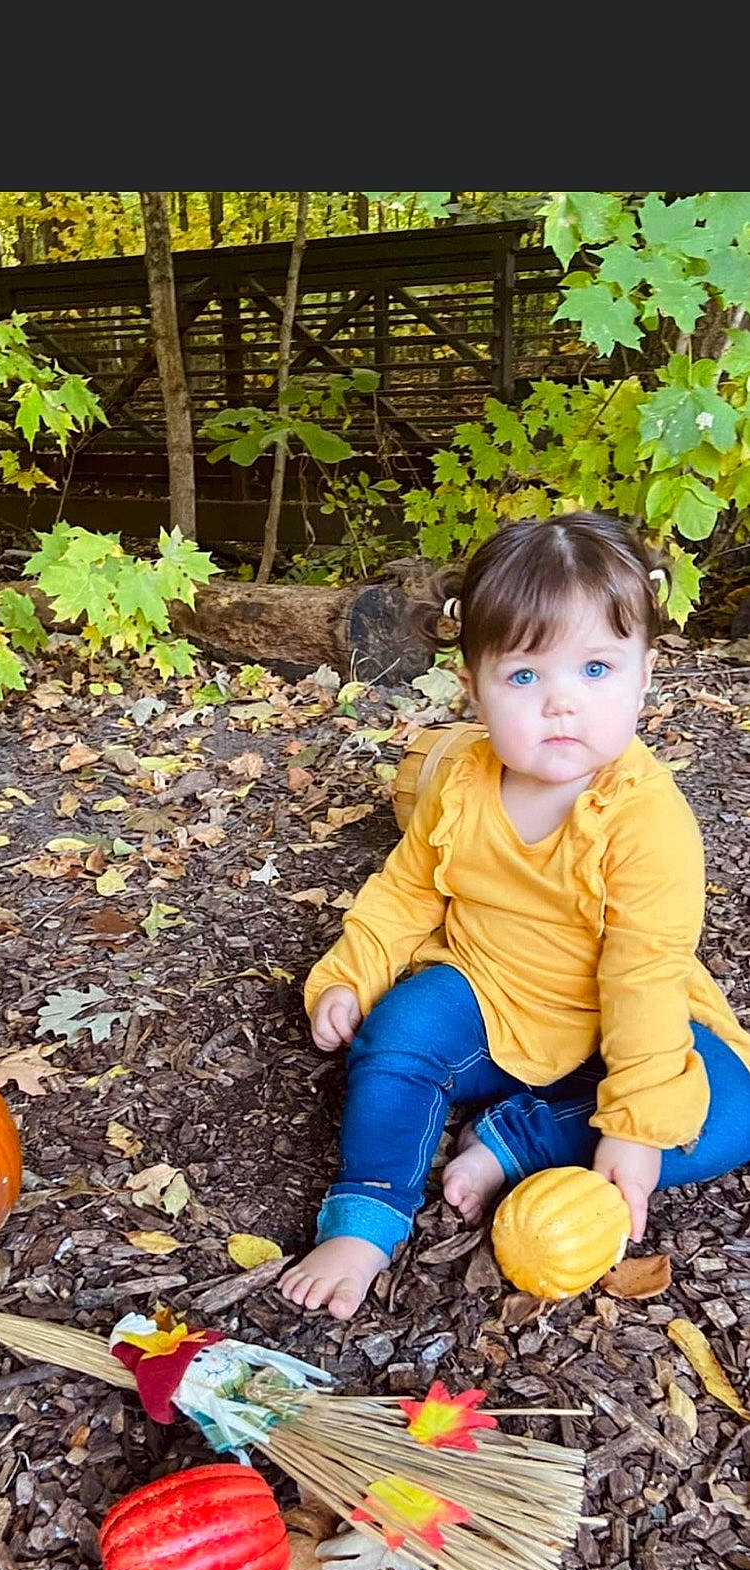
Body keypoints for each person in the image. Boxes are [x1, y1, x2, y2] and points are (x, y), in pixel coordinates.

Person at [278, 510, 750, 1320]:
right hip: (487, 989)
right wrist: (353, 974)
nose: (562, 705)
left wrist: (635, 1128)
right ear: (474, 685)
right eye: (525, 678)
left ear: (644, 677)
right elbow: (408, 889)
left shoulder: (646, 820)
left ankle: (518, 1140)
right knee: (396, 1039)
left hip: (614, 1016)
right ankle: (367, 1211)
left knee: (733, 1110)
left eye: (596, 670)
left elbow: (643, 976)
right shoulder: (461, 778)